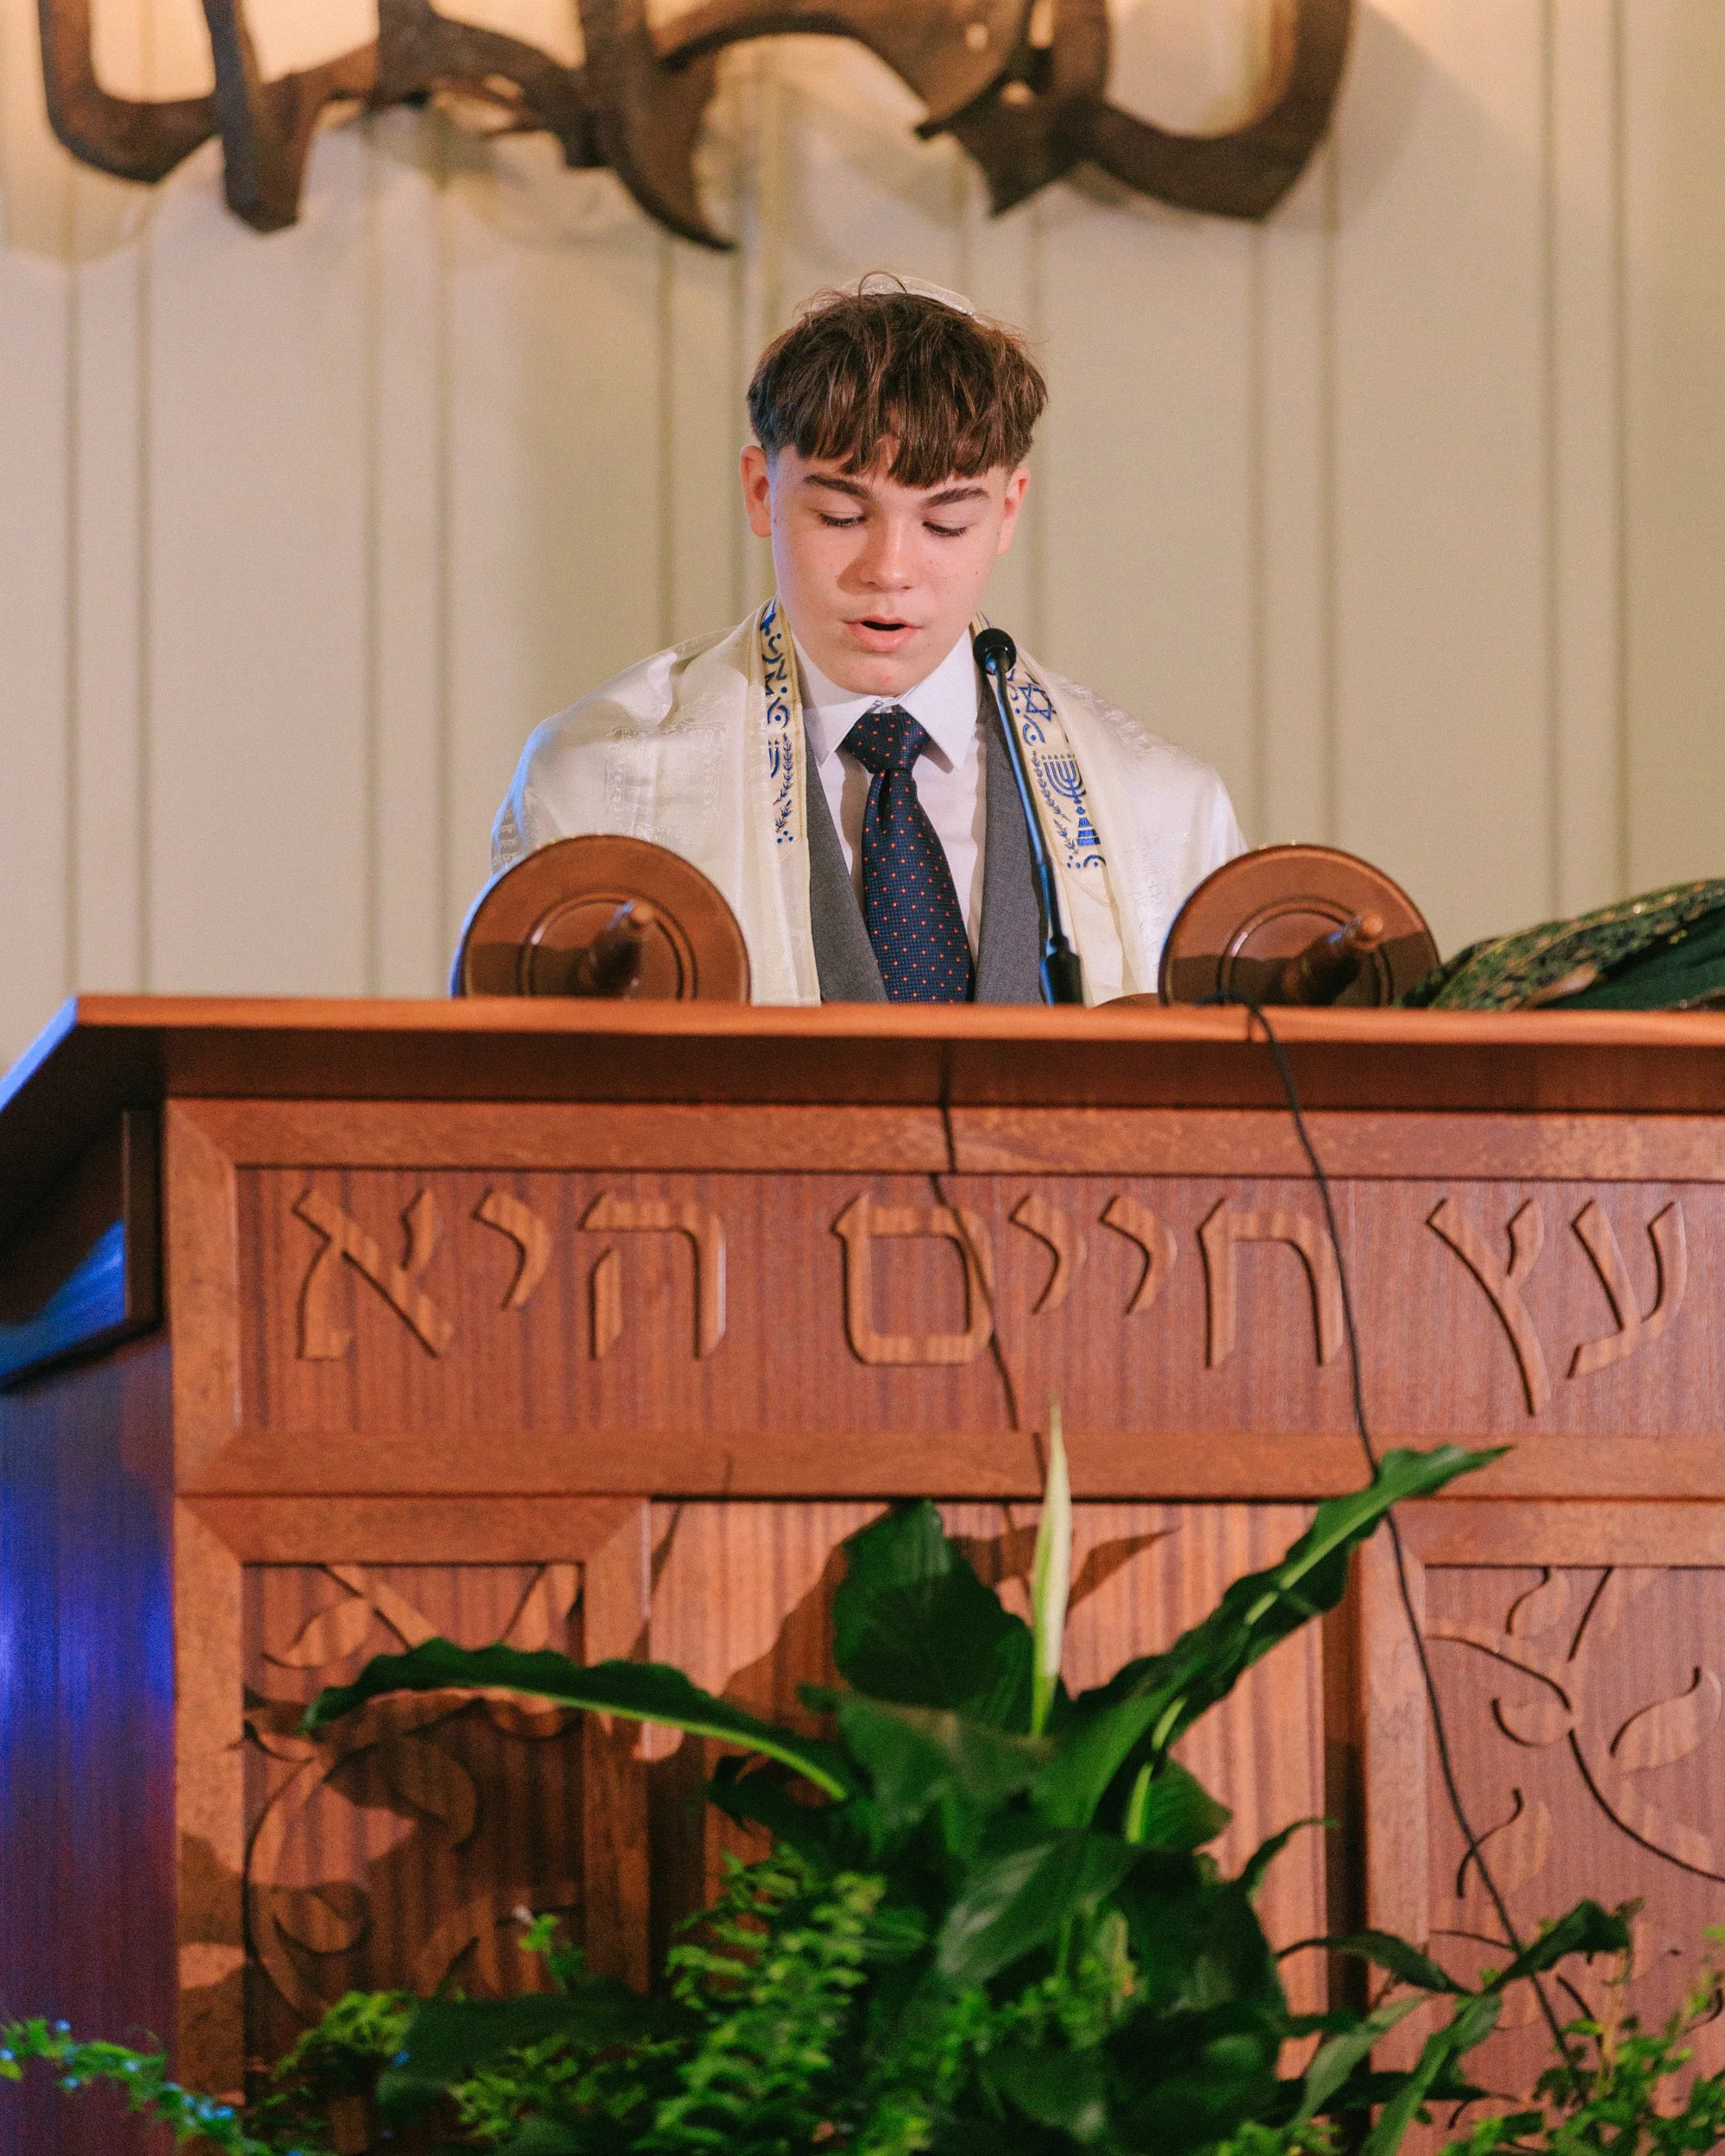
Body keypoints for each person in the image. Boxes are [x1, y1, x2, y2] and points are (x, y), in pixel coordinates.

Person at [490, 279, 1245, 1004]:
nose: (890, 572)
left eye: (946, 525)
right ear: (762, 493)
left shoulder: (1163, 806)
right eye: (842, 517)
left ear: (1009, 511)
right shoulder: (603, 783)